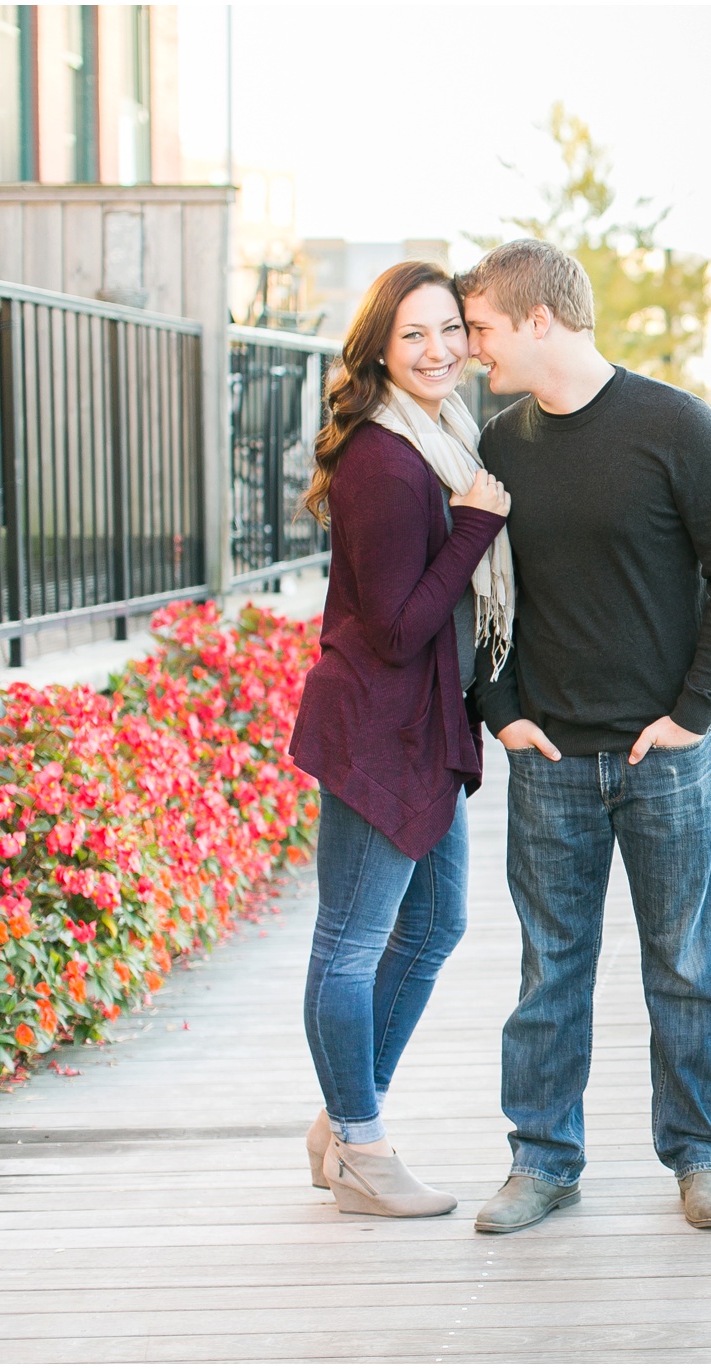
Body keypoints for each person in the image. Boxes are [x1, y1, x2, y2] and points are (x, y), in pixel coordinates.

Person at [457, 239, 711, 1235]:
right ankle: (541, 1163)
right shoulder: (496, 445)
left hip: (665, 758)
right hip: (548, 763)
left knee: (685, 966)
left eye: (481, 329)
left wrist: (693, 713)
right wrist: (498, 709)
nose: (471, 350)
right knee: (549, 972)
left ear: (537, 319)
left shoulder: (677, 427)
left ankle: (702, 1159)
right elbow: (480, 588)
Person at [288, 260, 513, 1218]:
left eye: (451, 330)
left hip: (423, 724)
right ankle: (365, 1146)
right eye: (414, 334)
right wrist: (472, 530)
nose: (439, 351)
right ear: (381, 348)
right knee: (351, 943)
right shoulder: (385, 459)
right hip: (379, 729)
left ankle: (346, 1118)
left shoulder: (448, 438)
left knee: (433, 924)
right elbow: (392, 626)